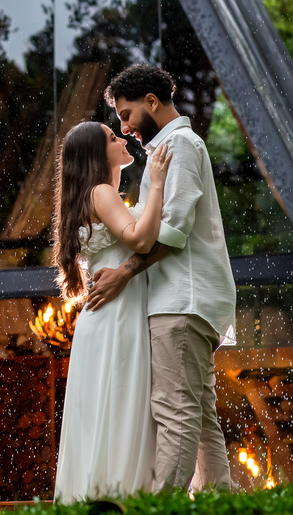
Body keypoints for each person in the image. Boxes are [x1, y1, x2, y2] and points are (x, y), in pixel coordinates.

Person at [85, 64, 237, 493]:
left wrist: (123, 274)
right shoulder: (164, 150)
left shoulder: (182, 145)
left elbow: (174, 231)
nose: (124, 125)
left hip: (181, 300)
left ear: (152, 102)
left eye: (127, 113)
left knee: (175, 410)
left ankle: (161, 505)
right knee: (200, 415)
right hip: (184, 300)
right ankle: (218, 501)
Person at [51, 120, 173, 500]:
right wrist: (158, 181)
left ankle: (103, 498)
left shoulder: (99, 196)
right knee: (123, 411)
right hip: (118, 316)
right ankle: (123, 498)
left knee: (108, 414)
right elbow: (139, 238)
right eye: (111, 137)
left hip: (106, 319)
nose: (121, 139)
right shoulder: (102, 192)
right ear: (95, 154)